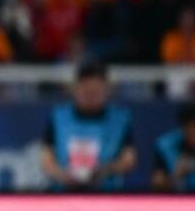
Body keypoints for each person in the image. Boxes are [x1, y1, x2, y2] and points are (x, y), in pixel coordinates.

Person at [40, 59, 137, 190]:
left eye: (96, 92)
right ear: (76, 88)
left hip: (106, 193)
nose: (90, 97)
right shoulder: (58, 117)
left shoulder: (121, 119)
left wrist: (105, 170)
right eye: (86, 91)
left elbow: (129, 160)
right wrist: (63, 176)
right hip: (63, 192)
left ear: (106, 89)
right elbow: (46, 160)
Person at [152, 102, 195, 192]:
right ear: (184, 127)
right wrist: (176, 175)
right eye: (192, 127)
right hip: (175, 197)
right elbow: (156, 184)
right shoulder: (165, 146)